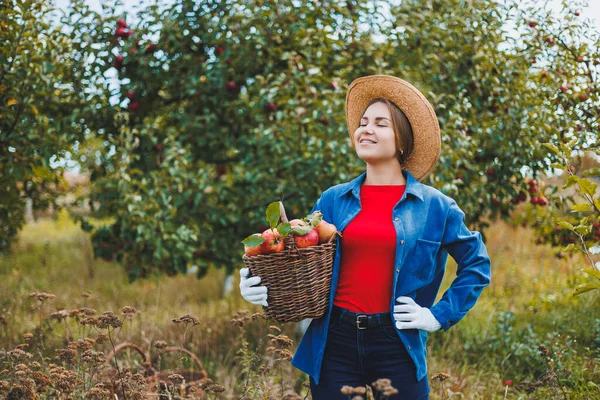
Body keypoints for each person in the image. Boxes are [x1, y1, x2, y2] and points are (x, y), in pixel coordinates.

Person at [239, 75, 492, 399]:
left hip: (397, 340)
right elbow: (296, 254)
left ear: (402, 140)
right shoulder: (332, 200)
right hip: (335, 341)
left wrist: (437, 315)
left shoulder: (436, 206)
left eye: (380, 123)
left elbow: (477, 263)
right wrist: (258, 280)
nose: (366, 129)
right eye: (363, 122)